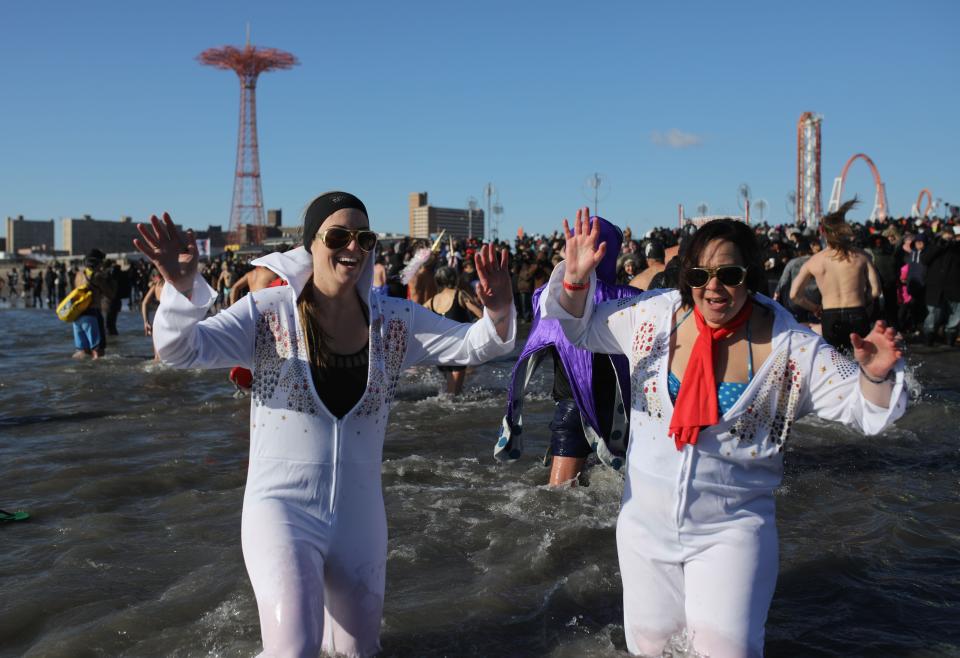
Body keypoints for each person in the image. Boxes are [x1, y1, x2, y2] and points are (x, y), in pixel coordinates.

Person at [135, 192, 516, 658]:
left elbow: (477, 346)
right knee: (293, 650)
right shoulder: (267, 313)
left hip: (360, 516)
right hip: (282, 513)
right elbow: (180, 350)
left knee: (359, 652)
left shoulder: (393, 321)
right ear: (310, 245)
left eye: (363, 237)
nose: (352, 248)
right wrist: (182, 289)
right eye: (338, 236)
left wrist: (498, 310)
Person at [543, 208, 906, 658]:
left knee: (726, 650)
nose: (713, 287)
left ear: (750, 276)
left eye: (728, 274)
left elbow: (862, 408)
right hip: (644, 528)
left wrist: (874, 375)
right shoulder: (652, 318)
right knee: (651, 648)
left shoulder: (790, 348)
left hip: (732, 532)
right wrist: (576, 281)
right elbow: (581, 329)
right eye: (700, 275)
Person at [496, 216, 638, 485]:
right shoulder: (633, 299)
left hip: (571, 408)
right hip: (621, 413)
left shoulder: (547, 297)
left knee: (558, 495)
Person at [789, 200, 881, 351]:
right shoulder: (861, 256)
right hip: (857, 311)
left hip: (830, 316)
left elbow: (794, 295)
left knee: (836, 362)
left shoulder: (815, 261)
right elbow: (876, 290)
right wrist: (864, 300)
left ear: (823, 233)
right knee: (861, 358)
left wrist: (814, 308)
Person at [424, 266, 484, 395]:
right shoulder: (460, 294)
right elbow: (481, 315)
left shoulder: (431, 301)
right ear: (455, 278)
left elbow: (419, 320)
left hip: (439, 351)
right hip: (457, 349)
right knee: (454, 395)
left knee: (449, 392)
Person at [920, 228, 960, 346]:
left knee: (955, 317)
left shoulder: (957, 248)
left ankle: (950, 338)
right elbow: (924, 259)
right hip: (936, 289)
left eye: (951, 236)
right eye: (946, 236)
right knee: (933, 316)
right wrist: (940, 244)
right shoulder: (934, 245)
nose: (949, 239)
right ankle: (929, 338)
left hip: (956, 289)